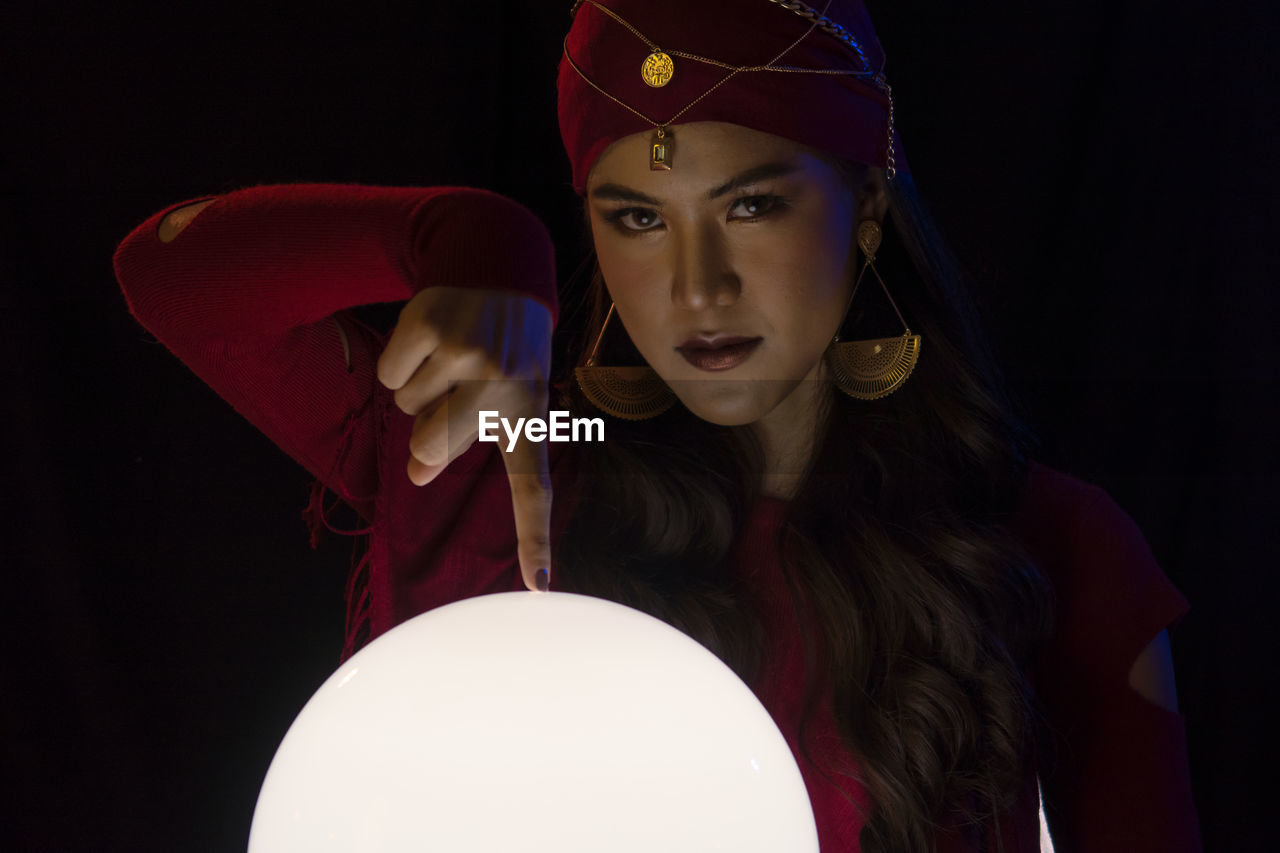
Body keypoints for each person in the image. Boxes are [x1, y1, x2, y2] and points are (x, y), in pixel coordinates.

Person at [112, 1, 1200, 850]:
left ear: (866, 208)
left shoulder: (1046, 546)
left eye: (751, 205)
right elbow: (171, 280)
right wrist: (460, 234)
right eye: (635, 218)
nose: (694, 287)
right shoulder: (513, 462)